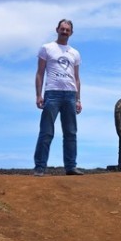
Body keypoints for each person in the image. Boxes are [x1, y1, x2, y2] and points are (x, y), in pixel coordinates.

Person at [33, 19, 83, 176]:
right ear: (57, 29)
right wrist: (38, 95)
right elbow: (40, 73)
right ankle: (40, 167)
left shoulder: (74, 53)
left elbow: (76, 77)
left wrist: (78, 99)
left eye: (67, 30)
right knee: (46, 131)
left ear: (71, 32)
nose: (65, 32)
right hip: (52, 93)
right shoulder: (47, 48)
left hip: (70, 94)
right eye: (62, 29)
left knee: (71, 132)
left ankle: (71, 167)